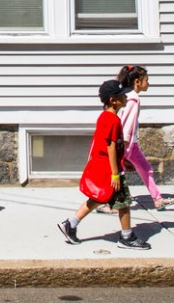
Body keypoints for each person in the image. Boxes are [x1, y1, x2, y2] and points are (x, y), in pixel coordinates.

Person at [57, 79, 152, 250]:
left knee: (97, 198)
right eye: (122, 95)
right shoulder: (111, 119)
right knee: (123, 202)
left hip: (109, 166)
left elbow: (114, 146)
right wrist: (116, 173)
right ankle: (127, 237)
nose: (126, 98)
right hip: (111, 169)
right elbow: (110, 146)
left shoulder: (108, 117)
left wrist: (126, 160)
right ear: (113, 100)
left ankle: (70, 224)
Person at [117, 64, 174, 210]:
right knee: (117, 174)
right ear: (137, 81)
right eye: (146, 80)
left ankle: (158, 199)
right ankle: (107, 203)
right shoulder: (133, 99)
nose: (148, 83)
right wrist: (125, 151)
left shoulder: (128, 96)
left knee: (146, 168)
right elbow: (126, 125)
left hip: (131, 143)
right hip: (126, 144)